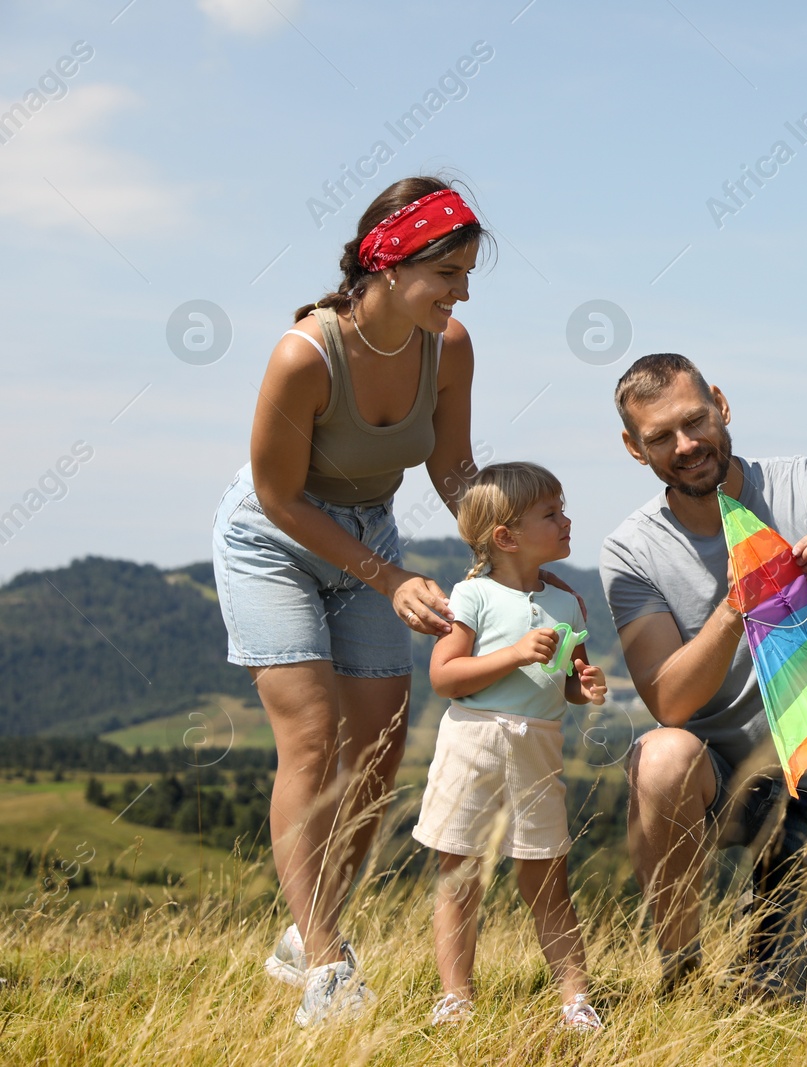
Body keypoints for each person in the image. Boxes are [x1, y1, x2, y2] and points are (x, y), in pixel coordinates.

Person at [210, 177, 581, 1027]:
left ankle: (305, 932)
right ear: (388, 260)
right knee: (310, 740)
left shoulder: (448, 347)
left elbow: (453, 469)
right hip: (273, 540)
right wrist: (388, 577)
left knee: (378, 748)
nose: (461, 293)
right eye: (447, 273)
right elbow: (278, 497)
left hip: (366, 534)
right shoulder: (305, 354)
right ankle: (330, 964)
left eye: (466, 276)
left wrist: (507, 560)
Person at [598, 353, 807, 1001]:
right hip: (715, 780)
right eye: (660, 437)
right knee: (660, 755)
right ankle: (682, 976)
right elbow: (669, 699)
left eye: (695, 420)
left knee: (778, 1012)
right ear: (633, 448)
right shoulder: (631, 549)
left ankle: (764, 970)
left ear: (721, 404)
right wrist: (735, 609)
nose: (687, 445)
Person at [414, 462, 607, 1032]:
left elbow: (564, 680)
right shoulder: (471, 595)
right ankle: (456, 998)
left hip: (538, 747)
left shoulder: (568, 604)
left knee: (547, 877)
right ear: (506, 537)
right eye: (551, 513)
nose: (567, 520)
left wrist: (583, 687)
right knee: (461, 873)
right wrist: (516, 653)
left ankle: (576, 1001)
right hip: (472, 742)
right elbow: (446, 676)